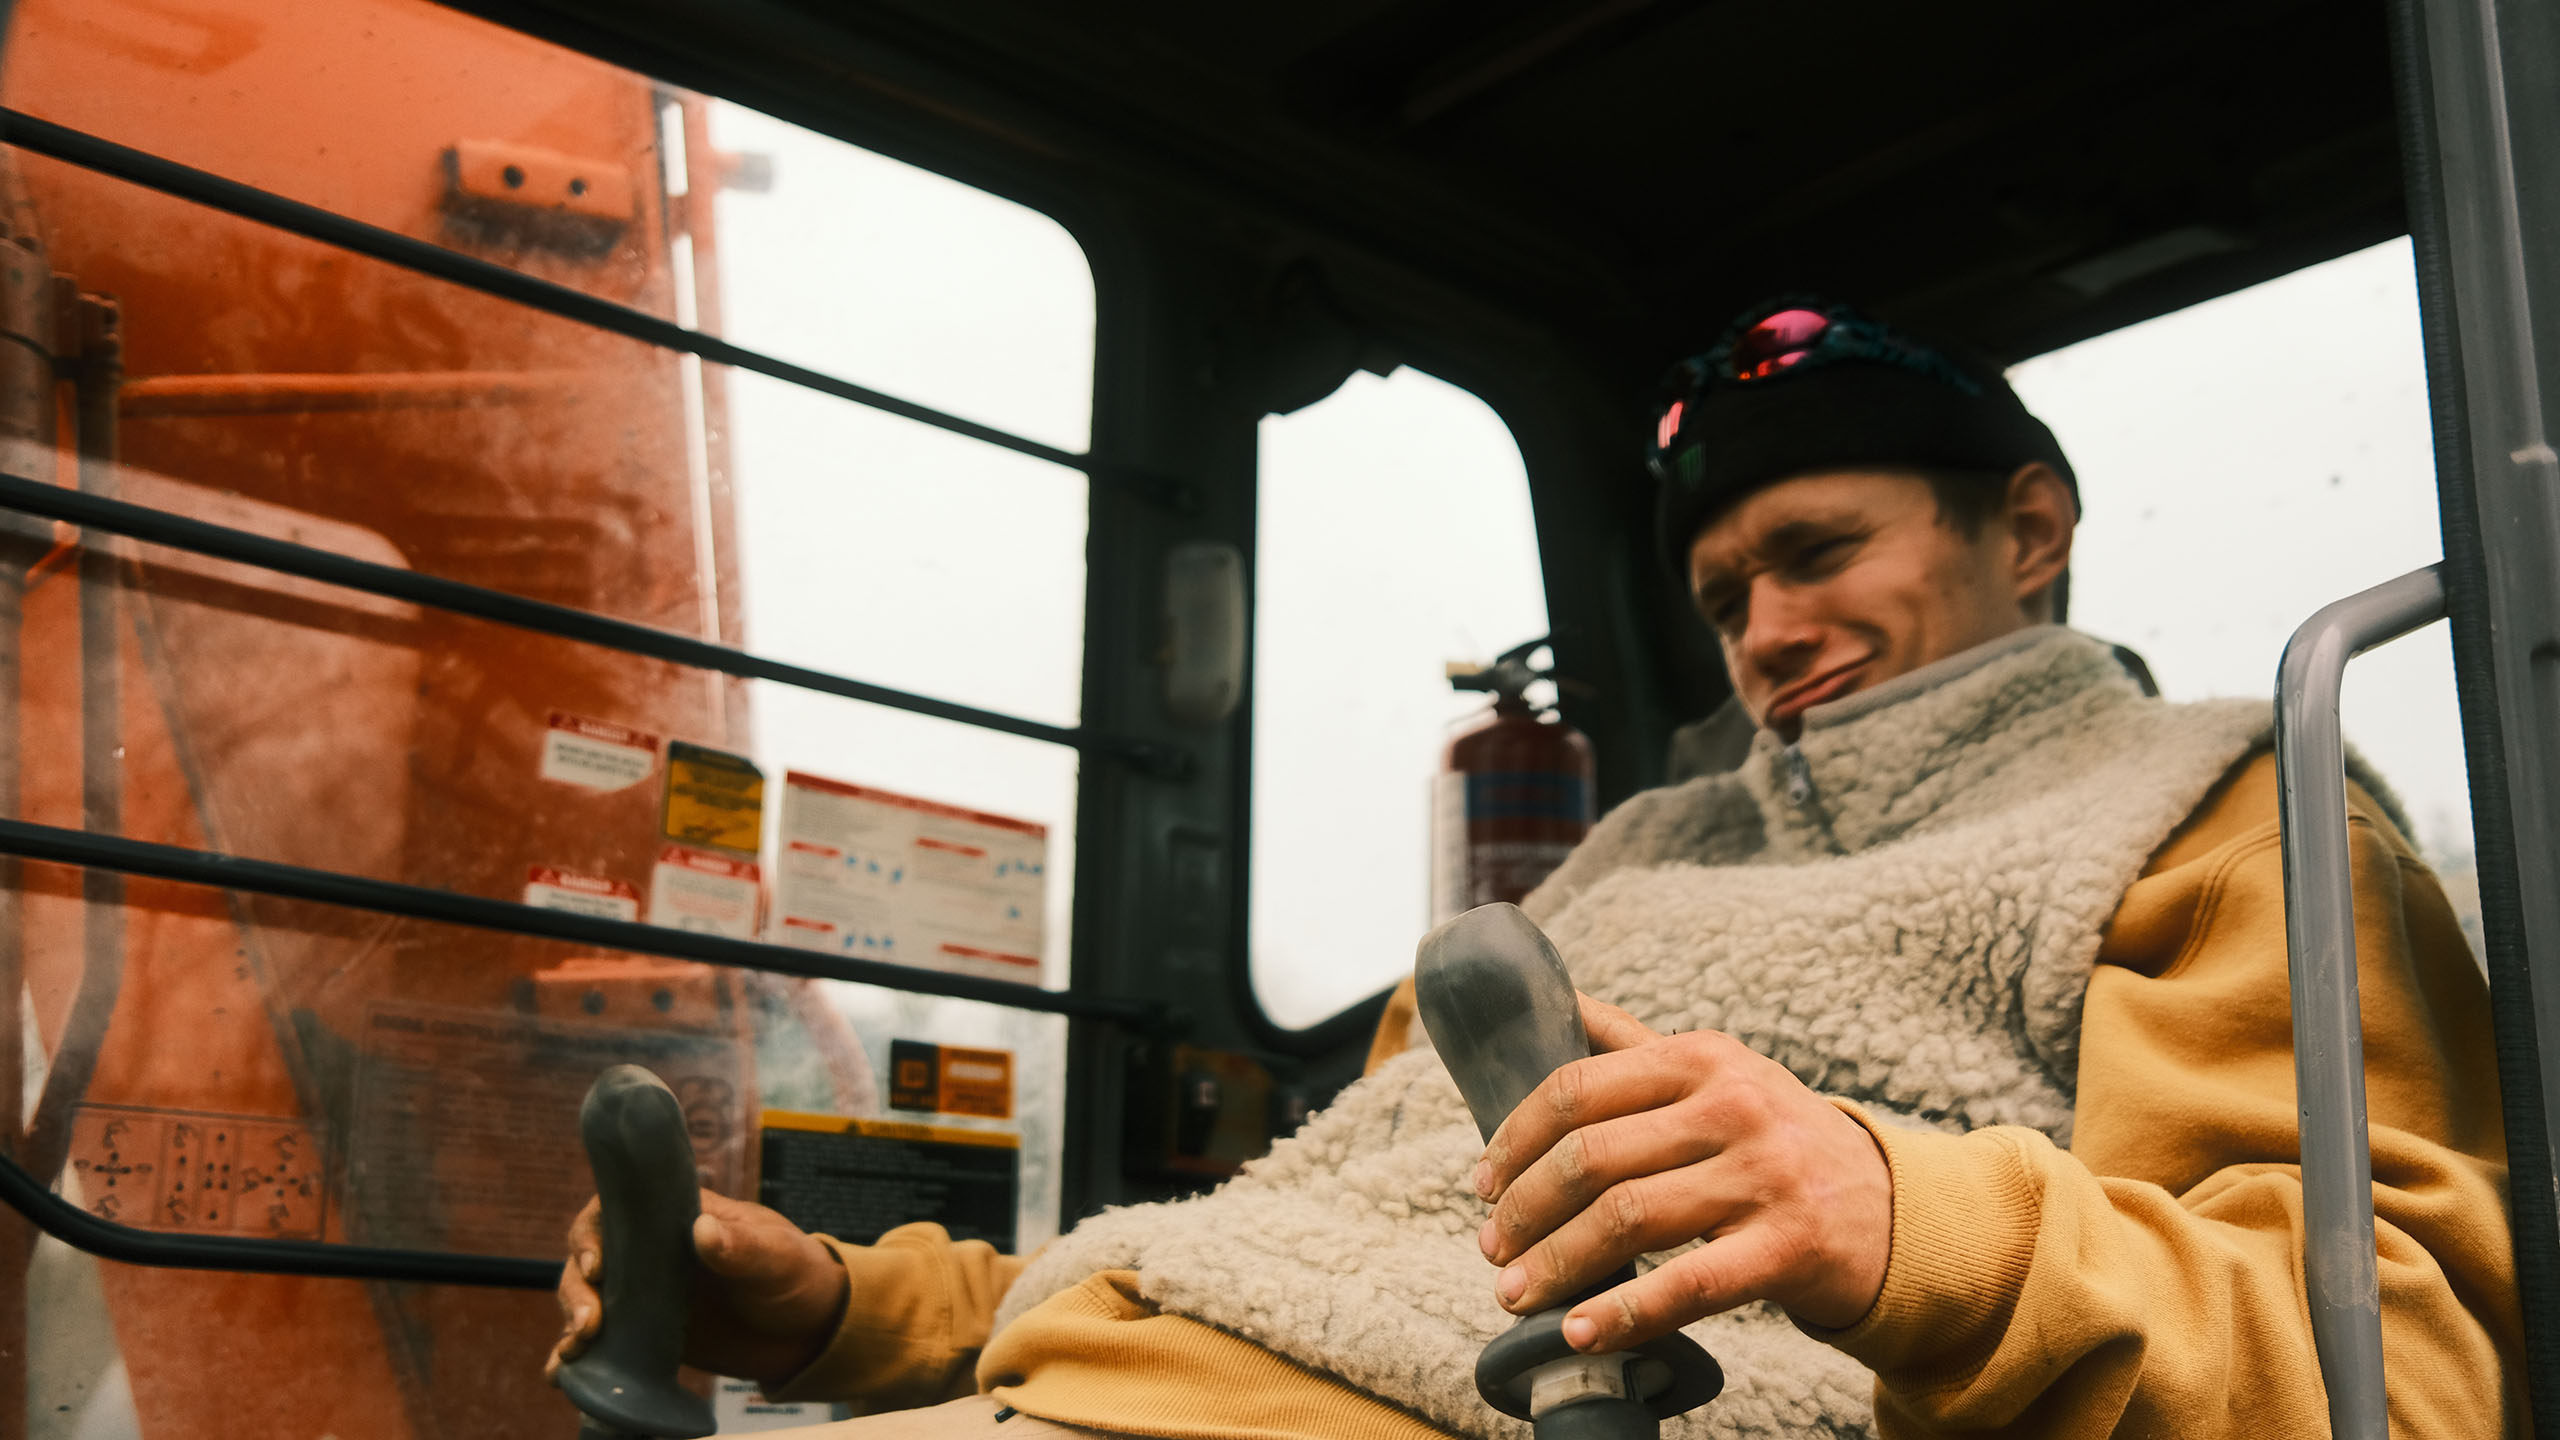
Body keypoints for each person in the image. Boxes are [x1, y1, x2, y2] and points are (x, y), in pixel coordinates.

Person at [549, 298, 2519, 1438]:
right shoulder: (1628, 859)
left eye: (1817, 553)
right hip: (1138, 1381)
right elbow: (1326, 1224)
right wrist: (842, 1311)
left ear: (2026, 528)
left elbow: (2396, 1372)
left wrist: (1893, 1220)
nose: (1765, 632)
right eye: (1723, 595)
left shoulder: (2210, 810)